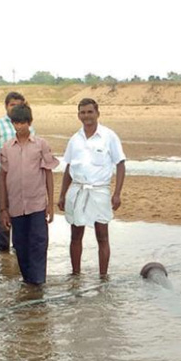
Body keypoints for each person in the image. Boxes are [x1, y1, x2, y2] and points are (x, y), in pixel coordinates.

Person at [58, 98, 126, 278]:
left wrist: (117, 193)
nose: (86, 116)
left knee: (102, 235)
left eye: (90, 112)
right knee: (75, 234)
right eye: (83, 112)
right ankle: (75, 276)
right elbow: (68, 168)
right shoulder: (75, 139)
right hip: (77, 189)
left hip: (100, 191)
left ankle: (103, 277)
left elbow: (120, 164)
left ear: (97, 113)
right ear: (78, 115)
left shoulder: (109, 136)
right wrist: (62, 195)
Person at [0, 104, 59, 285]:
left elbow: (48, 173)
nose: (19, 127)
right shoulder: (7, 148)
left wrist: (50, 204)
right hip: (16, 205)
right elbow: (3, 179)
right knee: (20, 245)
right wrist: (3, 209)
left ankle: (38, 282)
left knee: (39, 243)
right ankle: (28, 281)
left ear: (29, 123)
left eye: (23, 123)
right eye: (16, 123)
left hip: (37, 204)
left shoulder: (40, 145)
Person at [0, 91, 33, 252]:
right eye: (12, 105)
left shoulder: (27, 125)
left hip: (25, 180)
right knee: (3, 212)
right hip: (5, 177)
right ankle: (3, 252)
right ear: (6, 106)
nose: (15, 108)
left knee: (23, 213)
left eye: (18, 105)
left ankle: (19, 247)